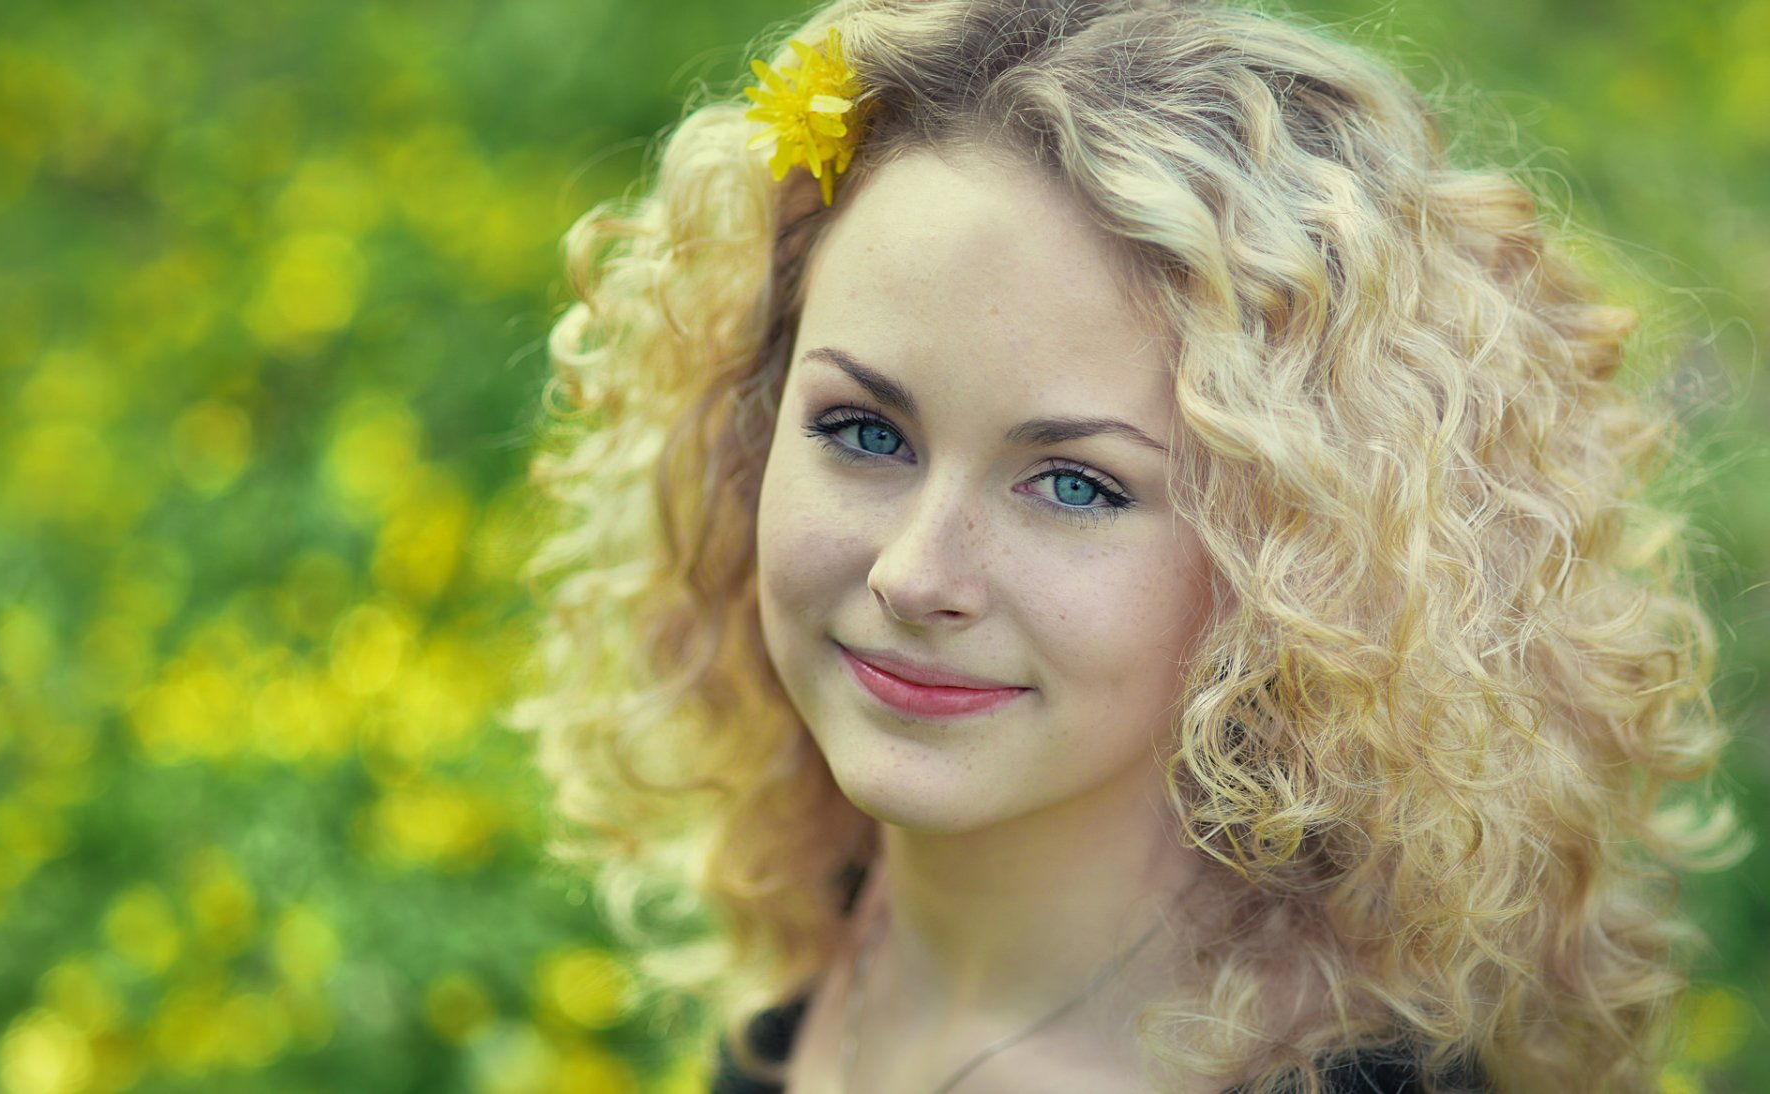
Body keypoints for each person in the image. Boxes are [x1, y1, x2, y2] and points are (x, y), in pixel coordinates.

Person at [511, 1, 1742, 1090]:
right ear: (750, 426)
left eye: (1075, 483)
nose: (913, 574)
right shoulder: (830, 904)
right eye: (863, 429)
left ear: (1295, 559)